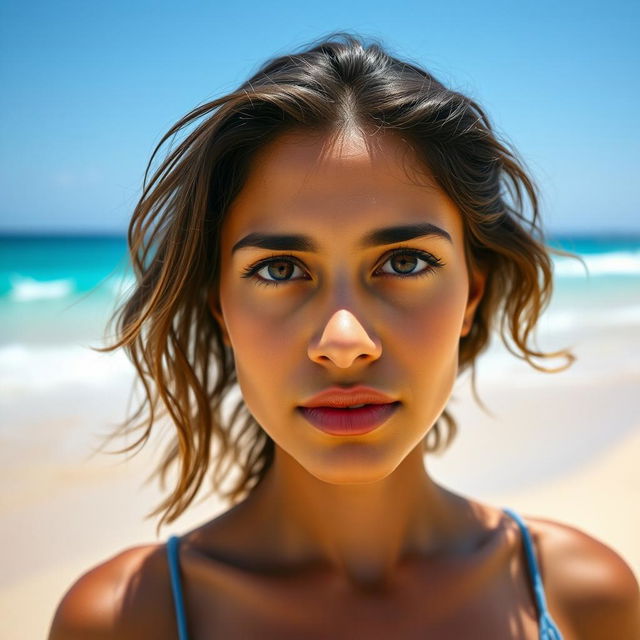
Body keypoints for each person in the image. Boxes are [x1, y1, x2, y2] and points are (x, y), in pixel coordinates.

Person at [48, 32, 639, 639]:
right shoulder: (122, 621)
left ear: (473, 294)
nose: (344, 340)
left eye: (405, 262)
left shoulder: (584, 597)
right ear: (220, 307)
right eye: (280, 269)